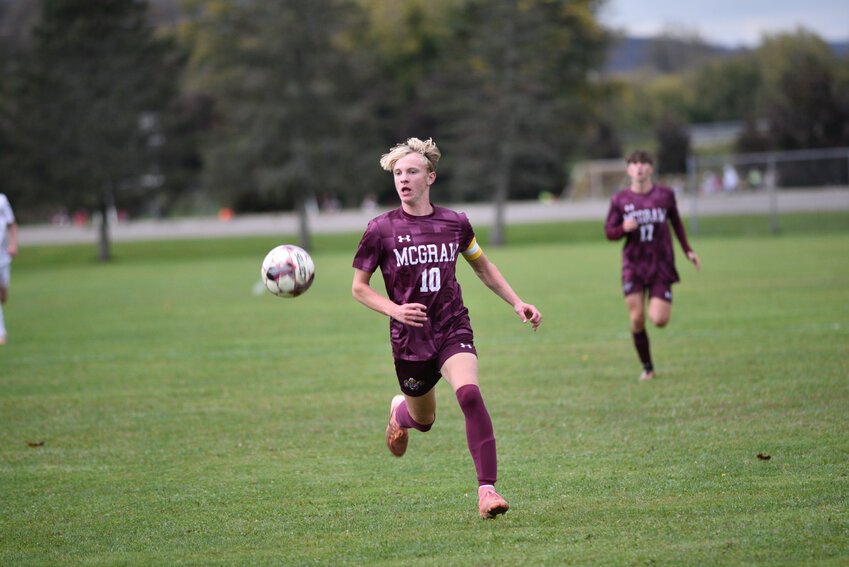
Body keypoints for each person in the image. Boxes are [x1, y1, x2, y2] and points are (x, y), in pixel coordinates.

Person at [352, 137, 542, 519]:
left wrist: (517, 301)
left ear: (431, 177)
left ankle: (487, 491)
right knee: (424, 421)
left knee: (469, 394)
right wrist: (396, 310)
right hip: (410, 339)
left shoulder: (455, 223)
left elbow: (483, 267)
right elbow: (359, 288)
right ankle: (399, 413)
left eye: (412, 172)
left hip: (452, 325)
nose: (403, 179)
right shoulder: (380, 229)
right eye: (398, 174)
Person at [604, 150, 700, 381]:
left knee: (659, 320)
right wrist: (621, 229)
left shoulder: (665, 196)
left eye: (644, 163)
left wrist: (688, 250)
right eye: (634, 163)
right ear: (629, 170)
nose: (639, 167)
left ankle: (655, 305)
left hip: (660, 264)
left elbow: (676, 223)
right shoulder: (620, 200)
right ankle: (648, 367)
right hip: (633, 265)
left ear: (651, 168)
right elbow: (609, 232)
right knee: (637, 318)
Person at [0, 193, 18, 345]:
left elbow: (12, 223)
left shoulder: (2, 200)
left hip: (4, 256)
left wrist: (14, 245)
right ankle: (1, 332)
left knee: (3, 296)